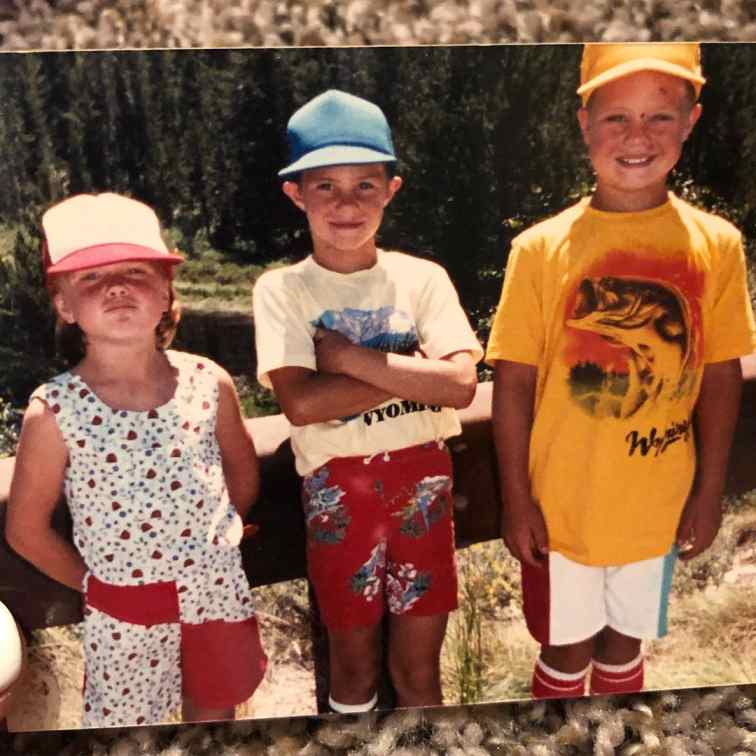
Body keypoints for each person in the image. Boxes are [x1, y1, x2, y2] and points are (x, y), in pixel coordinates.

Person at [486, 43, 756, 698]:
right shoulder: (541, 249)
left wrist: (708, 492)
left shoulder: (716, 244)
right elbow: (514, 383)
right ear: (584, 123)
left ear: (691, 121)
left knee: (625, 642)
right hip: (561, 508)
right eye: (616, 118)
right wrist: (518, 498)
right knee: (564, 647)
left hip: (656, 505)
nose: (638, 138)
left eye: (660, 118)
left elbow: (720, 374)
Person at [253, 89, 482, 712]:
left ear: (391, 189)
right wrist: (416, 371)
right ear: (295, 194)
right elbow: (301, 404)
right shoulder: (283, 290)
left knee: (419, 673)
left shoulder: (422, 278)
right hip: (337, 494)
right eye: (325, 187)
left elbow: (461, 386)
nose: (346, 204)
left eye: (364, 185)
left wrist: (350, 359)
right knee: (352, 673)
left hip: (424, 488)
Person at [6, 193, 267, 727]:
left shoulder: (208, 382)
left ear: (167, 289)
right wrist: (96, 587)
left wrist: (211, 541)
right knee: (128, 734)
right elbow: (26, 530)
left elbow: (240, 475)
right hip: (125, 611)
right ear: (63, 305)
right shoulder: (54, 410)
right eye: (91, 278)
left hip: (216, 594)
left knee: (214, 723)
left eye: (135, 270)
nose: (117, 287)